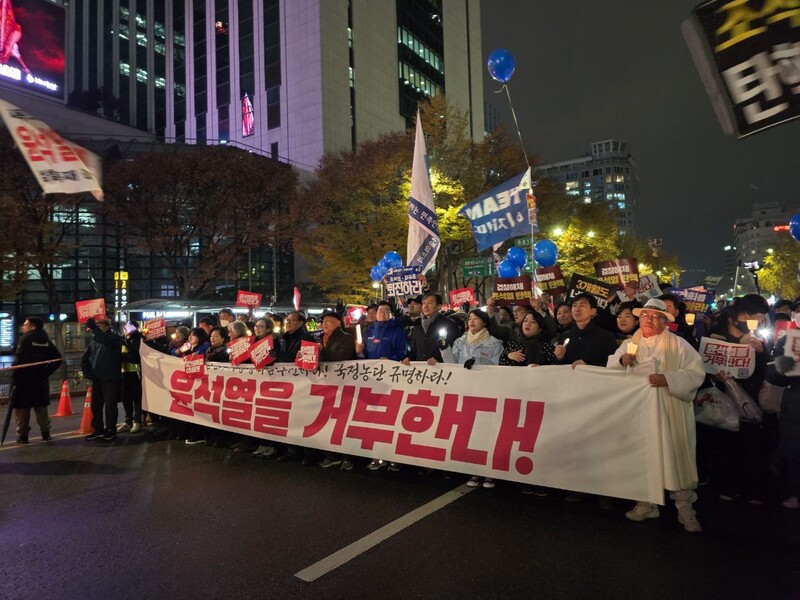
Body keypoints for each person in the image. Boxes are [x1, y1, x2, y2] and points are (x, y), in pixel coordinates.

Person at [607, 298, 706, 533]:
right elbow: (612, 365)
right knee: (644, 454)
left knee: (675, 453)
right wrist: (623, 361)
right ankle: (646, 502)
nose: (648, 321)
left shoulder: (678, 344)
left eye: (654, 316)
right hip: (641, 410)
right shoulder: (631, 343)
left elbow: (695, 372)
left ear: (664, 320)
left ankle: (684, 507)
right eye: (644, 316)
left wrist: (668, 379)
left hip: (670, 407)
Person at [440, 309, 503, 489]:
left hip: (486, 392)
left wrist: (478, 364)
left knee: (487, 432)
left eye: (476, 318)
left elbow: (499, 367)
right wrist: (444, 348)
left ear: (484, 322)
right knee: (471, 432)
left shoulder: (494, 343)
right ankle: (475, 470)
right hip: (466, 391)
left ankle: (490, 473)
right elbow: (452, 364)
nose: (471, 321)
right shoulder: (460, 341)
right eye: (469, 318)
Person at [10, 317, 62, 444]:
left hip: (24, 381)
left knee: (22, 409)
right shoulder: (46, 340)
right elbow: (57, 358)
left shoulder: (25, 340)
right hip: (40, 381)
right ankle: (45, 433)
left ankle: (23, 436)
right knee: (41, 408)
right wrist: (45, 372)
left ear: (33, 326)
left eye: (25, 324)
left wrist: (14, 380)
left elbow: (19, 362)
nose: (23, 326)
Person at [317, 311, 356, 470]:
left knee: (343, 421)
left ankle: (347, 457)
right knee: (327, 421)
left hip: (343, 384)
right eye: (323, 322)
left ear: (338, 323)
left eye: (328, 321)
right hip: (325, 384)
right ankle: (331, 455)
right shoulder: (320, 338)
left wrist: (321, 351)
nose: (324, 324)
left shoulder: (346, 337)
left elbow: (342, 356)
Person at [767, 336, 800, 509]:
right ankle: (795, 493)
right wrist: (788, 364)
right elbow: (773, 375)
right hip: (796, 406)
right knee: (794, 453)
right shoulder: (790, 341)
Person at [81, 317, 122, 442]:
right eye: (95, 326)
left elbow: (107, 341)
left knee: (110, 405)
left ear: (106, 326)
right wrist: (87, 372)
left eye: (98, 326)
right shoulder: (95, 341)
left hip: (110, 377)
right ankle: (98, 429)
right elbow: (86, 358)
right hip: (97, 378)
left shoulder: (114, 338)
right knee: (96, 405)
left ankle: (111, 430)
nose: (96, 329)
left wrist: (94, 328)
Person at [553, 293, 617, 368]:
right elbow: (560, 368)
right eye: (574, 305)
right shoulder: (565, 336)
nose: (577, 309)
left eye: (582, 305)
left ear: (593, 311)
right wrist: (560, 358)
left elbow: (612, 365)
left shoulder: (606, 337)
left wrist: (587, 367)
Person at [403, 293, 461, 365]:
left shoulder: (449, 325)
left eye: (430, 303)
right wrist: (408, 358)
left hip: (441, 371)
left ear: (439, 306)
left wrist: (438, 359)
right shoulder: (417, 326)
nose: (425, 306)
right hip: (421, 372)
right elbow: (414, 350)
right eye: (424, 303)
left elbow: (456, 350)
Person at [117, 321, 144, 433]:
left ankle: (137, 422)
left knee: (136, 398)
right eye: (125, 327)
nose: (125, 329)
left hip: (135, 372)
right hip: (124, 372)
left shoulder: (138, 338)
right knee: (125, 398)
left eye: (128, 327)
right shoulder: (121, 339)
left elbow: (136, 356)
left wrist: (123, 356)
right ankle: (128, 422)